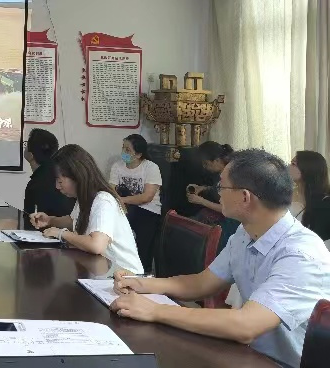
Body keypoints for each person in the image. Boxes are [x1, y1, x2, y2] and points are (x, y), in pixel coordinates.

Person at [110, 149, 330, 368]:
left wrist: (155, 310)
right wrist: (142, 283)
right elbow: (202, 283)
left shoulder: (301, 255)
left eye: (221, 187)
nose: (218, 193)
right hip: (250, 354)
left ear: (245, 197)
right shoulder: (246, 233)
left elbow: (246, 325)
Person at [30, 144, 144, 274]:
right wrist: (50, 220)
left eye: (60, 181)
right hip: (104, 272)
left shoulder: (103, 200)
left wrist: (62, 234)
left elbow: (97, 245)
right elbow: (73, 220)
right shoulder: (85, 198)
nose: (57, 186)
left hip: (127, 277)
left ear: (77, 176)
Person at [109, 134, 162, 273]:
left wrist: (122, 200)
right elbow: (111, 190)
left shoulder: (151, 167)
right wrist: (120, 202)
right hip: (125, 208)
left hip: (148, 210)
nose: (123, 152)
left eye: (127, 150)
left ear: (138, 154)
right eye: (123, 148)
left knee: (143, 243)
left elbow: (147, 197)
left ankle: (142, 271)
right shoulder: (117, 166)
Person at [187, 141, 239, 250]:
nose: (204, 167)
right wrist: (203, 188)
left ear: (217, 160)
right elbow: (220, 188)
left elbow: (228, 208)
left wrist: (201, 201)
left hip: (233, 221)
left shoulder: (232, 175)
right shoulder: (221, 172)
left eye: (206, 164)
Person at [22, 129, 75, 229]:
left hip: (50, 235)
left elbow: (31, 223)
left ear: (31, 155)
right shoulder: (60, 173)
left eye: (26, 144)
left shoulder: (36, 184)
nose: (58, 186)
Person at [289, 151, 330, 241]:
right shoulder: (286, 194)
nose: (288, 166)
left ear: (307, 169)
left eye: (293, 164)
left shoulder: (326, 205)